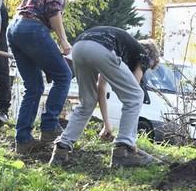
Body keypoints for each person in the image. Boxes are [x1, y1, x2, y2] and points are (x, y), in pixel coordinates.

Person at [7, 0, 96, 154]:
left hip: (15, 28)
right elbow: (53, 10)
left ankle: (23, 140)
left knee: (34, 86)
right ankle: (49, 126)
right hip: (31, 28)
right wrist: (64, 41)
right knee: (64, 75)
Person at [50, 27, 161, 167]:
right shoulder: (143, 55)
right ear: (151, 59)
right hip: (100, 48)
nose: (144, 69)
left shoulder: (121, 48)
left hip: (79, 47)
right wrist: (129, 144)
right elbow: (133, 92)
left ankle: (62, 149)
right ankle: (123, 151)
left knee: (87, 102)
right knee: (135, 95)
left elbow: (101, 87)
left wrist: (107, 124)